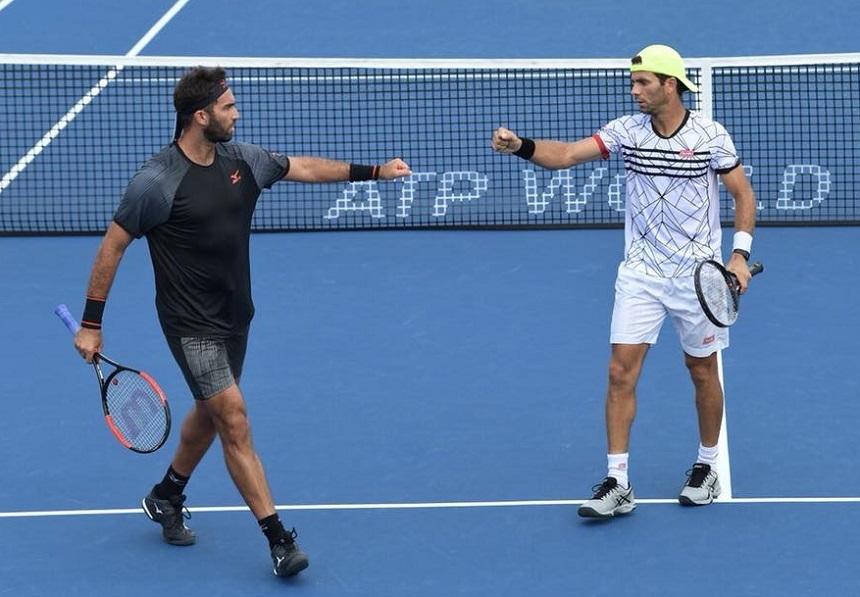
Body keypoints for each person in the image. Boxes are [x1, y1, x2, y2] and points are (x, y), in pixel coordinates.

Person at [73, 66, 411, 575]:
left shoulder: (243, 161)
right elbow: (112, 246)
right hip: (190, 325)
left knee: (211, 413)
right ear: (200, 116)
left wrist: (375, 172)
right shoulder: (156, 182)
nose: (237, 113)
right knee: (233, 417)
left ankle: (166, 495)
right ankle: (279, 540)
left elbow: (304, 167)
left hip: (236, 317)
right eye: (228, 106)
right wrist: (92, 323)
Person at [491, 45, 756, 517]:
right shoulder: (626, 131)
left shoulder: (710, 136)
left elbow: (743, 194)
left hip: (696, 277)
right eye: (634, 83)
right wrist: (522, 146)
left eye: (643, 83)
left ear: (669, 85)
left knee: (702, 370)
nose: (634, 91)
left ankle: (707, 465)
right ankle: (617, 481)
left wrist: (738, 256)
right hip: (640, 274)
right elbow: (567, 155)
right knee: (619, 372)